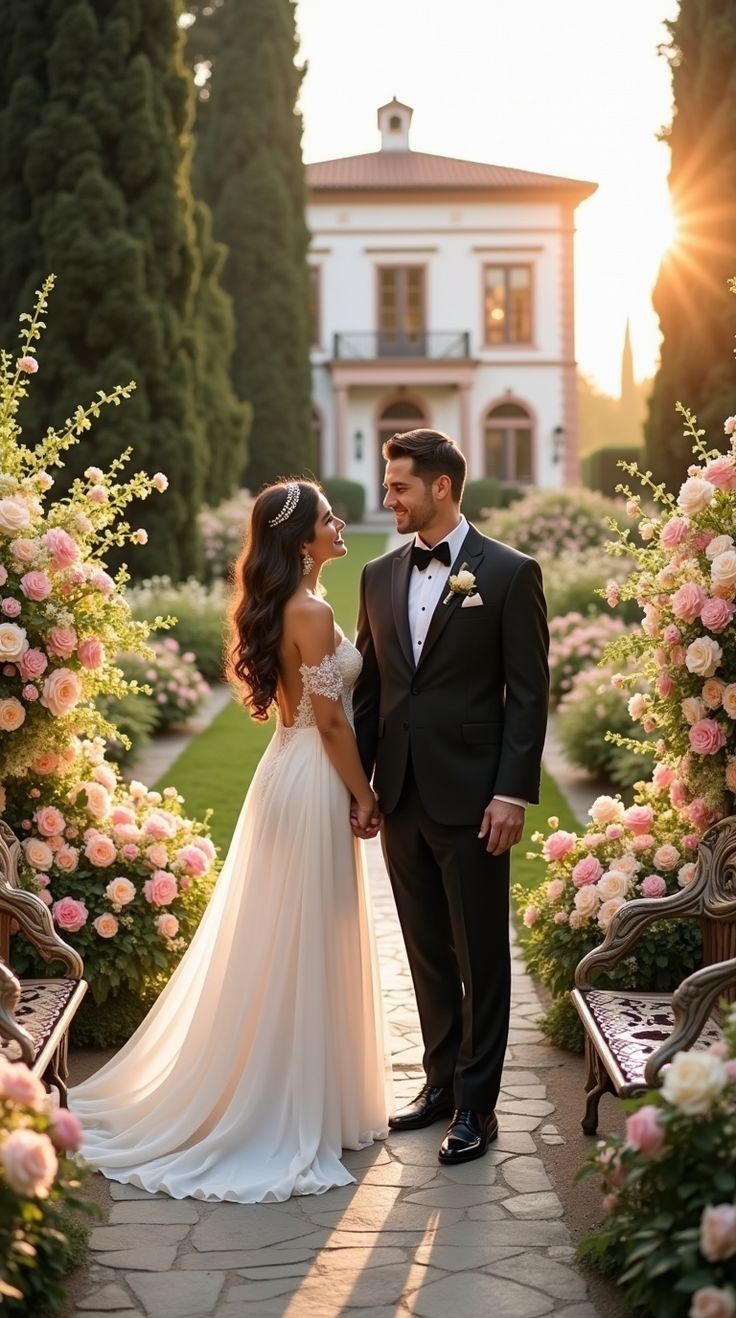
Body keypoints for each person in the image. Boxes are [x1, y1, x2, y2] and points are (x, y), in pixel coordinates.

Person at [70, 480, 390, 1203]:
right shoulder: (310, 610)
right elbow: (334, 724)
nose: (340, 524)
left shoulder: (281, 607)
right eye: (327, 519)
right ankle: (285, 1107)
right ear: (302, 540)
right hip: (311, 777)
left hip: (286, 768)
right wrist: (365, 796)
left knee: (287, 935)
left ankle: (304, 1093)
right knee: (305, 935)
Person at [353, 429, 549, 1165]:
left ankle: (477, 1106)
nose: (388, 497)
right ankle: (438, 1084)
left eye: (399, 485)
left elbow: (527, 697)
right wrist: (363, 786)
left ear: (441, 487)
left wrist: (511, 792)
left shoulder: (508, 572)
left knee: (481, 953)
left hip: (475, 800)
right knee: (426, 950)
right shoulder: (376, 575)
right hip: (400, 792)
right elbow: (373, 694)